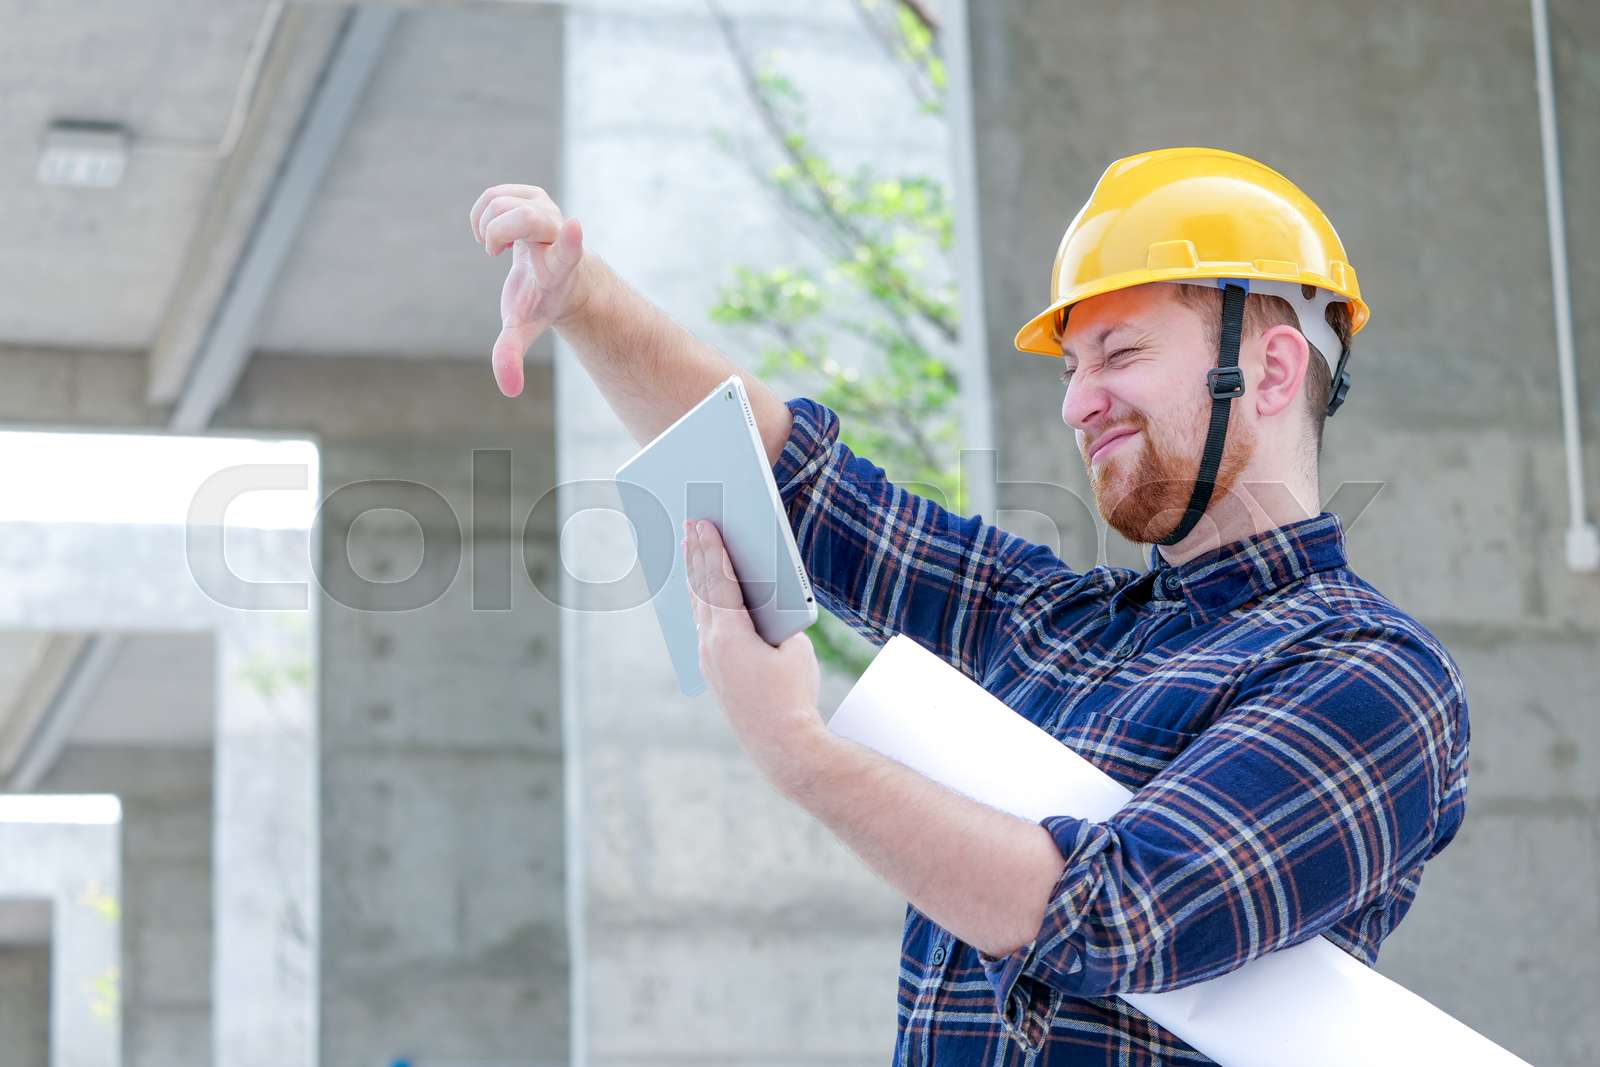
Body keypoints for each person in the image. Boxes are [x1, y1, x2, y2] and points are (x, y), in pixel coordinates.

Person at [468, 146, 1470, 1064]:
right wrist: (584, 299)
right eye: (1073, 369)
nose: (1078, 402)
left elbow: (1109, 910)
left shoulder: (1370, 674)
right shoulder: (1052, 625)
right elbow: (798, 488)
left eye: (1119, 356)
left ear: (1270, 367)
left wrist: (798, 750)